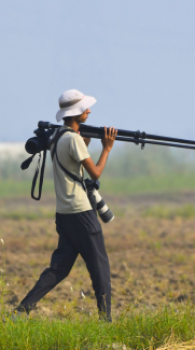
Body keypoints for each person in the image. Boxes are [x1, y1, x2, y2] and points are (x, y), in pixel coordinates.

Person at [14, 89, 117, 321]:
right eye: (85, 108)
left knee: (58, 269)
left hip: (64, 213)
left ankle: (20, 312)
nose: (89, 110)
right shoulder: (73, 138)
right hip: (81, 212)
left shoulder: (59, 136)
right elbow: (96, 173)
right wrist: (107, 148)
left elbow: (72, 166)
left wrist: (86, 146)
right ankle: (106, 322)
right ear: (77, 112)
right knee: (100, 267)